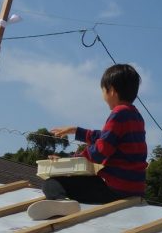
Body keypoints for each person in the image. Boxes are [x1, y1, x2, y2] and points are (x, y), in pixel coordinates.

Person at [26, 63, 147, 220]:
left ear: (111, 90)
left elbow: (101, 151)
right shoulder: (135, 116)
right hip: (135, 189)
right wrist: (77, 131)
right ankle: (64, 202)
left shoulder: (118, 114)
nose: (103, 95)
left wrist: (74, 157)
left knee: (52, 182)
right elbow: (105, 136)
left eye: (103, 90)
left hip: (115, 189)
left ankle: (62, 202)